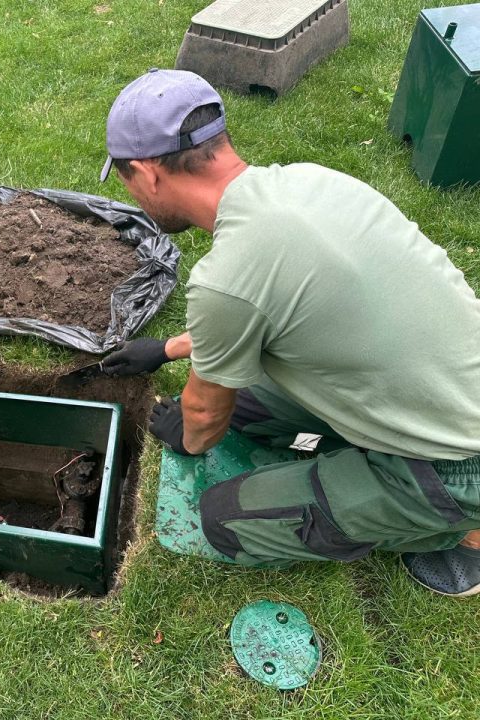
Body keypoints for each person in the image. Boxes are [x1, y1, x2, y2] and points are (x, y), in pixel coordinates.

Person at [98, 69, 480, 596]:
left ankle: (460, 531)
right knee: (249, 405)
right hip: (443, 386)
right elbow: (277, 306)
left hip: (460, 461)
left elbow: (205, 421)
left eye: (125, 181)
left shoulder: (227, 275)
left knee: (224, 519)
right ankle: (366, 460)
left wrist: (186, 438)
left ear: (146, 173)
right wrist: (166, 350)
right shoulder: (312, 182)